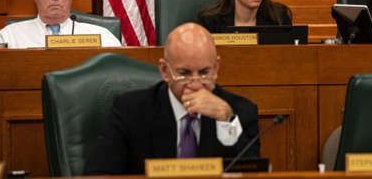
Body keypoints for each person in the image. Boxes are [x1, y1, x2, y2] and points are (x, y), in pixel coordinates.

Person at [84, 23, 260, 175]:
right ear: (164, 71)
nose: (195, 83)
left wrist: (226, 122)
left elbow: (254, 174)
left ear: (216, 68)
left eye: (204, 72)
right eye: (184, 73)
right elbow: (98, 172)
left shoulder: (240, 112)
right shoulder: (131, 111)